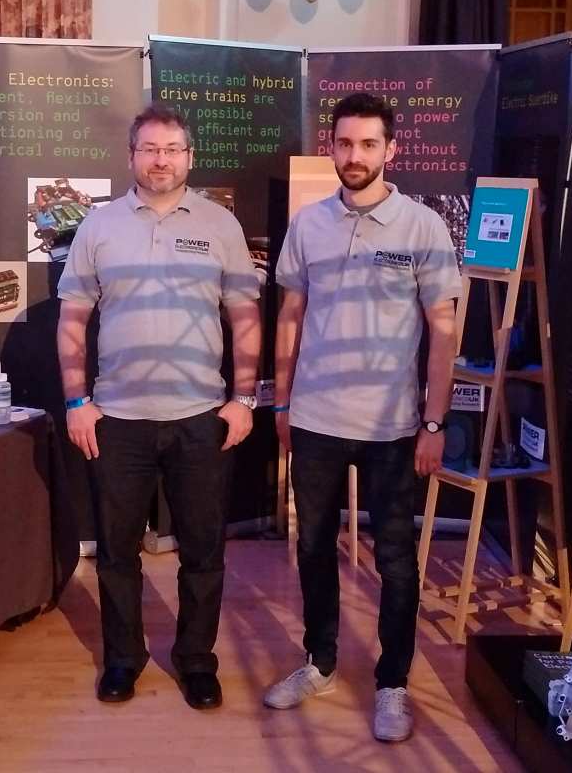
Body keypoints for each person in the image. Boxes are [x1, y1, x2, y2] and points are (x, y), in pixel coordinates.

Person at [263, 92, 461, 742]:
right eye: (345, 144)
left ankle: (392, 684)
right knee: (314, 547)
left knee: (397, 561)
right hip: (316, 417)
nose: (355, 156)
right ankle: (319, 662)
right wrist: (284, 402)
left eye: (368, 144)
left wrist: (434, 423)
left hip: (393, 426)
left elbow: (443, 332)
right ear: (332, 148)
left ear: (391, 149)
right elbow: (289, 318)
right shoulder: (309, 225)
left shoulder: (423, 228)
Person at [57, 105, 262, 710]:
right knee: (118, 554)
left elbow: (245, 314)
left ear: (189, 157)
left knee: (203, 551)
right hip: (117, 418)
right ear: (131, 156)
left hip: (201, 417)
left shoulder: (221, 224)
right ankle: (123, 658)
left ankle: (196, 660)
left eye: (173, 149)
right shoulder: (98, 226)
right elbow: (73, 317)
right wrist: (77, 400)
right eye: (150, 148)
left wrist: (244, 398)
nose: (161, 159)